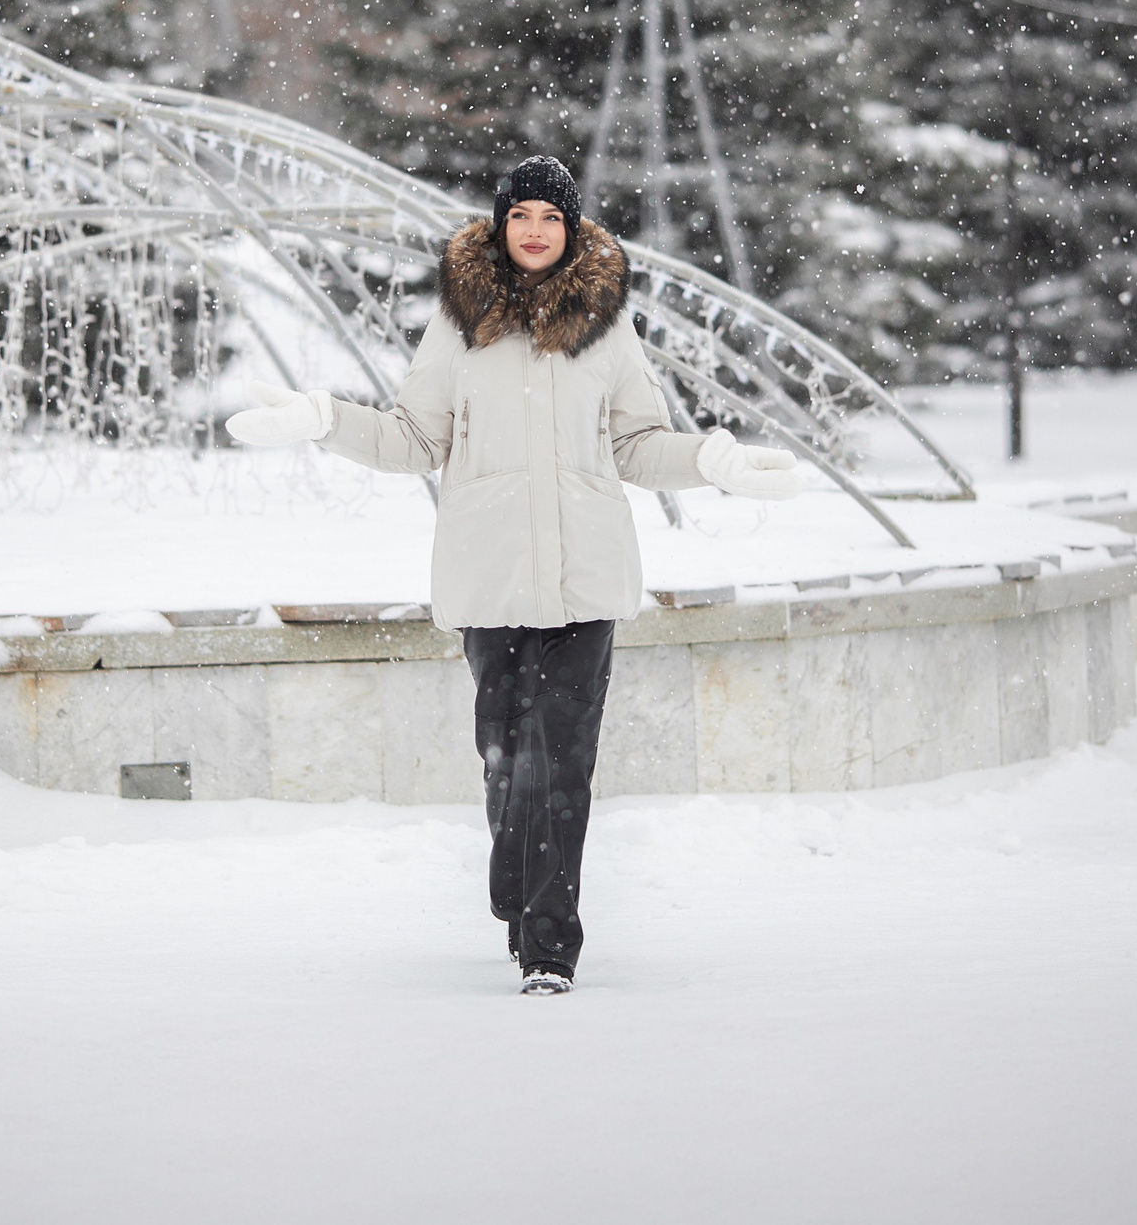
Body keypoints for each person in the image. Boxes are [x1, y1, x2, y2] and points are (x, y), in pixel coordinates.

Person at [226, 155, 803, 995]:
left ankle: (548, 947)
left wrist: (715, 462)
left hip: (585, 579)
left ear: (572, 232)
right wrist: (324, 419)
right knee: (505, 761)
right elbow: (413, 441)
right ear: (501, 226)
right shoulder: (458, 328)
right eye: (522, 214)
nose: (535, 230)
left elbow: (638, 444)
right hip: (489, 576)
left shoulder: (608, 329)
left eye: (552, 217)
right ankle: (520, 890)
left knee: (558, 762)